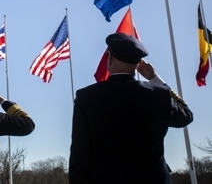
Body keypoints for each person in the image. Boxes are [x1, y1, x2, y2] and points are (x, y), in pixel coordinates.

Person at [68, 33, 194, 184]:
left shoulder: (86, 97)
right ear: (139, 63)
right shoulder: (159, 95)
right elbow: (186, 116)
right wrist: (154, 78)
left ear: (110, 59)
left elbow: (79, 153)